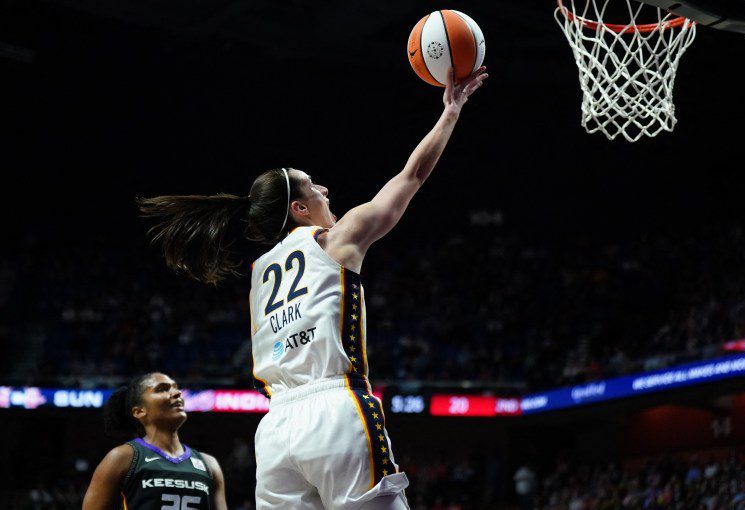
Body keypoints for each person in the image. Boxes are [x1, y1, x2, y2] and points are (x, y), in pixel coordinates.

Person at [138, 65, 488, 509]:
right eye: (314, 188)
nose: (326, 189)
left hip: (276, 427)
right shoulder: (335, 240)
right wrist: (451, 111)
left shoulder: (260, 273)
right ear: (301, 208)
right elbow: (411, 176)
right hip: (334, 410)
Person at [82, 372, 227, 510]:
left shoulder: (208, 464)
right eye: (162, 389)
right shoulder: (123, 457)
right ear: (139, 411)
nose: (177, 393)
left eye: (175, 388)